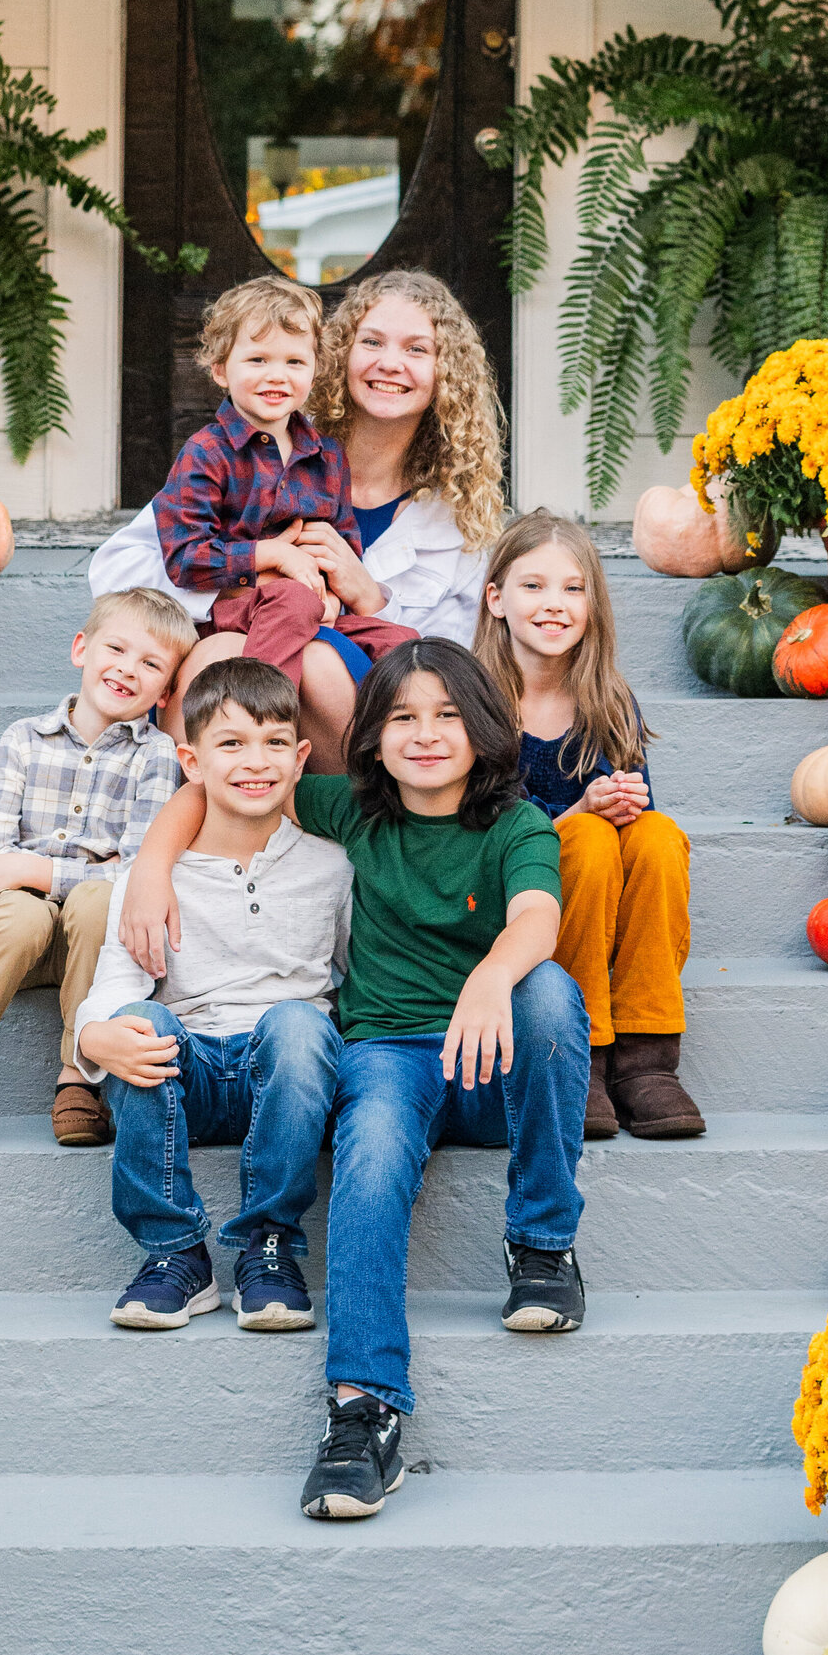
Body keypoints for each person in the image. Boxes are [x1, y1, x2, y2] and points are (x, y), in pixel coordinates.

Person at [122, 637, 590, 1520]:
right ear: (371, 736)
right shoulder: (353, 812)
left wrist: (491, 976)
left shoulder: (516, 824)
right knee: (370, 1156)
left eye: (448, 715)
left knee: (551, 995)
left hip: (493, 1060)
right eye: (403, 717)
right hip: (389, 1054)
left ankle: (542, 1242)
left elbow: (536, 915)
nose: (425, 734)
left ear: (485, 728)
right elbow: (220, 783)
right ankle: (362, 1411)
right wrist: (150, 868)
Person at [90, 267, 506, 768]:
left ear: (447, 370)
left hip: (354, 711)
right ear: (340, 355)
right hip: (235, 655)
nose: (391, 363)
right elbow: (117, 569)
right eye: (372, 342)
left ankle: (355, 814)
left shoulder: (453, 514)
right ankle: (222, 802)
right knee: (220, 654)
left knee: (333, 657)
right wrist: (256, 571)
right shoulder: (253, 444)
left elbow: (459, 662)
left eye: (416, 349)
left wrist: (364, 595)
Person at [72, 657, 352, 1333]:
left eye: (274, 742)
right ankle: (173, 1253)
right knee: (138, 1019)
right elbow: (115, 980)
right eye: (231, 743)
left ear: (300, 756)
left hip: (285, 1076)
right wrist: (93, 1035)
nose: (254, 761)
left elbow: (352, 979)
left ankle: (271, 1243)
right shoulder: (155, 878)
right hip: (187, 1069)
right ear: (191, 761)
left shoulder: (332, 865)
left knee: (301, 1024)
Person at [0, 586, 196, 1153]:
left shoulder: (155, 755)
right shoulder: (23, 740)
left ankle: (78, 1082)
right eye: (117, 649)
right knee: (20, 916)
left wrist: (33, 869)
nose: (129, 670)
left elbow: (136, 874)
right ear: (82, 649)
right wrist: (30, 876)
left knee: (99, 901)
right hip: (9, 933)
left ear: (167, 687)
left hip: (94, 941)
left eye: (151, 663)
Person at [474, 511, 702, 1143]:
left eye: (573, 589)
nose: (555, 605)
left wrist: (628, 800)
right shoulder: (476, 702)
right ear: (496, 598)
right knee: (586, 837)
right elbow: (483, 827)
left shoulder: (607, 695)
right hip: (514, 902)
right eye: (534, 587)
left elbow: (636, 812)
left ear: (593, 604)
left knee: (657, 836)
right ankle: (588, 1050)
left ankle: (646, 1055)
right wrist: (578, 816)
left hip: (602, 890)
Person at [147, 276, 418, 721]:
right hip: (236, 606)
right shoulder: (206, 453)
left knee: (404, 642)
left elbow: (344, 545)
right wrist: (270, 554)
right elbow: (185, 557)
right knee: (294, 601)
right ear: (220, 369)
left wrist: (333, 599)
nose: (277, 375)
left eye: (294, 361)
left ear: (315, 370)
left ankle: (386, 766)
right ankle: (263, 722)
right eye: (257, 359)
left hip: (311, 606)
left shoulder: (327, 456)